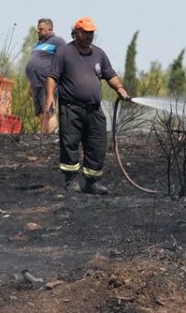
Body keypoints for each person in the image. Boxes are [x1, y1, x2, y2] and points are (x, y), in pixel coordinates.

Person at [44, 16, 130, 195]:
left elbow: (110, 75)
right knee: (70, 143)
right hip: (71, 108)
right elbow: (52, 76)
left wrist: (120, 88)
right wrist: (50, 96)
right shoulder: (64, 52)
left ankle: (92, 182)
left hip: (94, 110)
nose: (89, 36)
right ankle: (71, 181)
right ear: (76, 33)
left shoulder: (99, 54)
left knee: (97, 143)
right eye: (86, 33)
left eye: (92, 33)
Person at [25, 18, 65, 133]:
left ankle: (52, 137)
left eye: (41, 29)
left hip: (46, 82)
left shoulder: (57, 41)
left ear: (50, 29)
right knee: (41, 113)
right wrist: (30, 86)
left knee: (49, 111)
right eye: (38, 29)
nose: (38, 31)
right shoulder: (38, 45)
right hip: (35, 83)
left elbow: (65, 59)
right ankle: (43, 141)